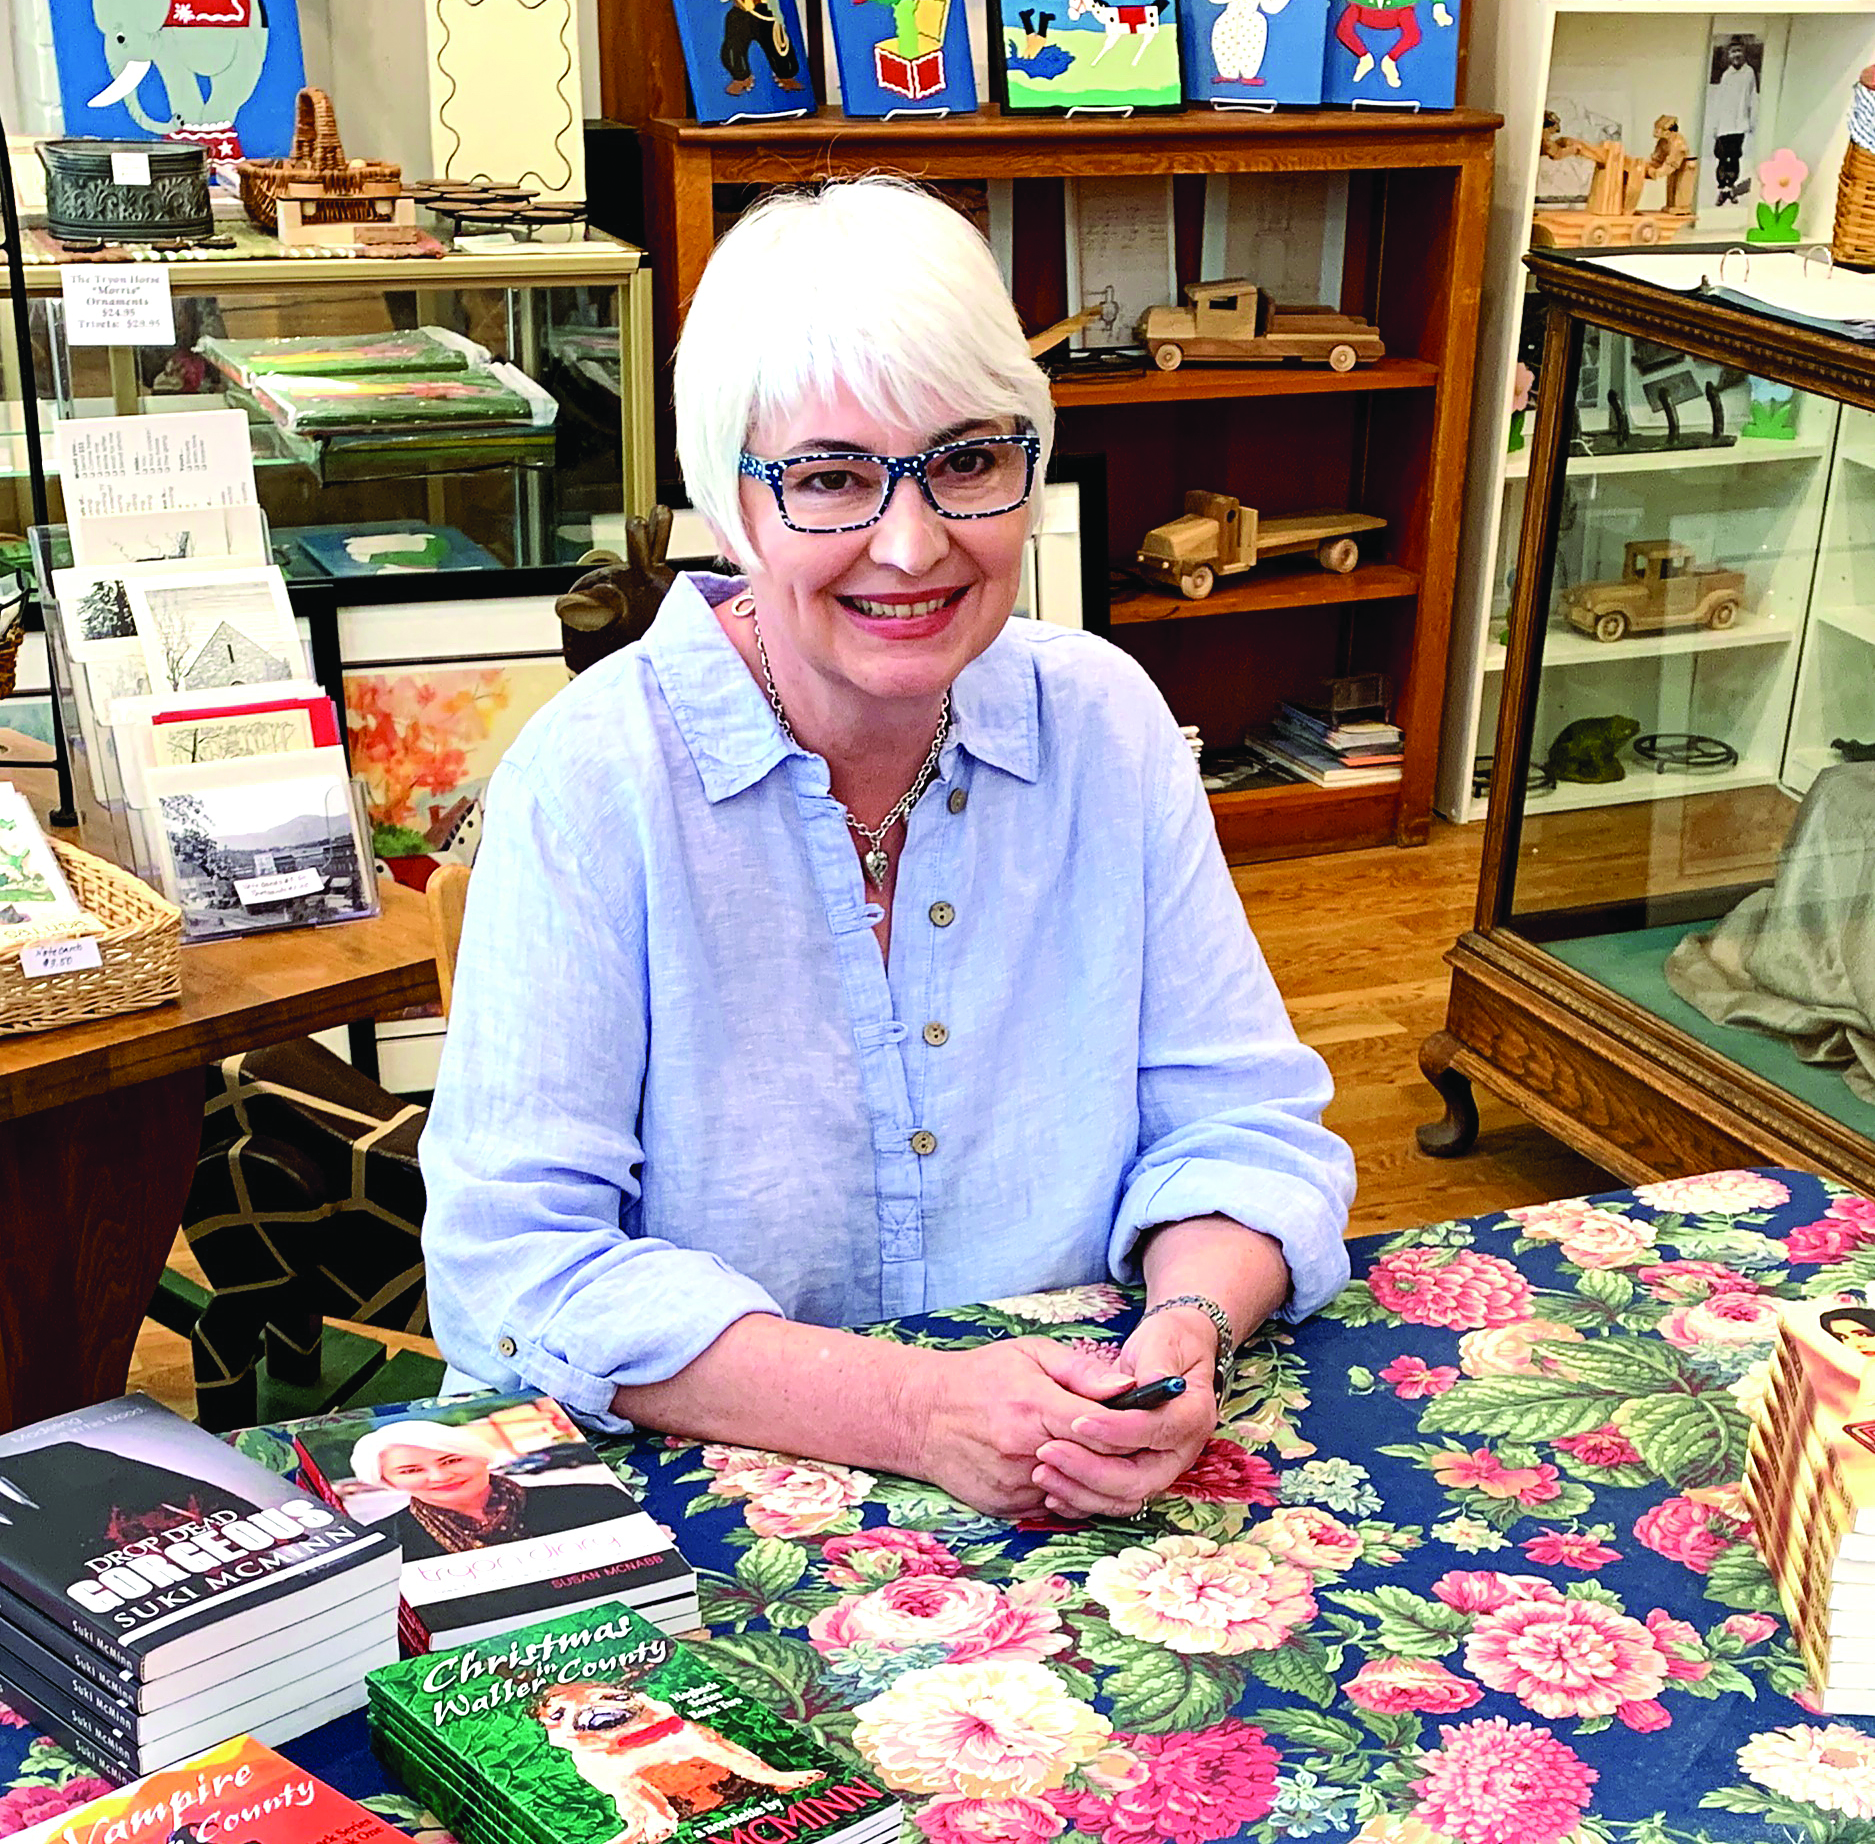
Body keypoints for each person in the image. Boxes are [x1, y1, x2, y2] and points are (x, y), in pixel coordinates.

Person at [421, 178, 1355, 1523]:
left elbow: (1236, 1123)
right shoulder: (592, 779)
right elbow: (514, 1269)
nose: (909, 543)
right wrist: (917, 1409)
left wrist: (1182, 1333)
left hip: (1081, 1471)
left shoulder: (1104, 721)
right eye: (829, 477)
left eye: (968, 460)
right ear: (729, 497)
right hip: (695, 1511)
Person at [348, 1422, 624, 1559]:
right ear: (390, 1482)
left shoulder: (594, 1499)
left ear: (481, 1457)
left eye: (452, 1460)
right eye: (411, 1471)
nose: (440, 1476)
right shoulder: (381, 1544)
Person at [1709, 38, 1759, 206]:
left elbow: (1752, 98)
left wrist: (1751, 121)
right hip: (1724, 124)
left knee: (1734, 156)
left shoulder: (1749, 73)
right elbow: (1720, 101)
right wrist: (1715, 125)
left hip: (1739, 124)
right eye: (1733, 52)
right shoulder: (1726, 75)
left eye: (1739, 51)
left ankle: (1731, 188)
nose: (1736, 55)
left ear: (1743, 53)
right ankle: (1722, 189)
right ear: (1729, 55)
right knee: (1722, 157)